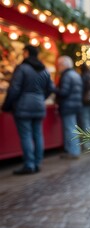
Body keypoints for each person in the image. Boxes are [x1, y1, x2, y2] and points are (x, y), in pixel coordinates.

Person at [1, 45, 55, 174]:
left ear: (26, 53)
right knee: (37, 134)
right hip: (39, 106)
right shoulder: (44, 70)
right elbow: (50, 89)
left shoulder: (22, 68)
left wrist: (7, 105)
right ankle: (37, 163)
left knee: (26, 135)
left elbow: (14, 88)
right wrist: (41, 98)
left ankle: (29, 164)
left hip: (23, 106)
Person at [55, 56, 83, 159]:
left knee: (70, 128)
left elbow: (64, 92)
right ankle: (72, 150)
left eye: (59, 65)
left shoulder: (66, 76)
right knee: (72, 128)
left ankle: (73, 151)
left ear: (63, 65)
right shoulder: (75, 74)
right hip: (75, 105)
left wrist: (54, 89)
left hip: (68, 105)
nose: (58, 67)